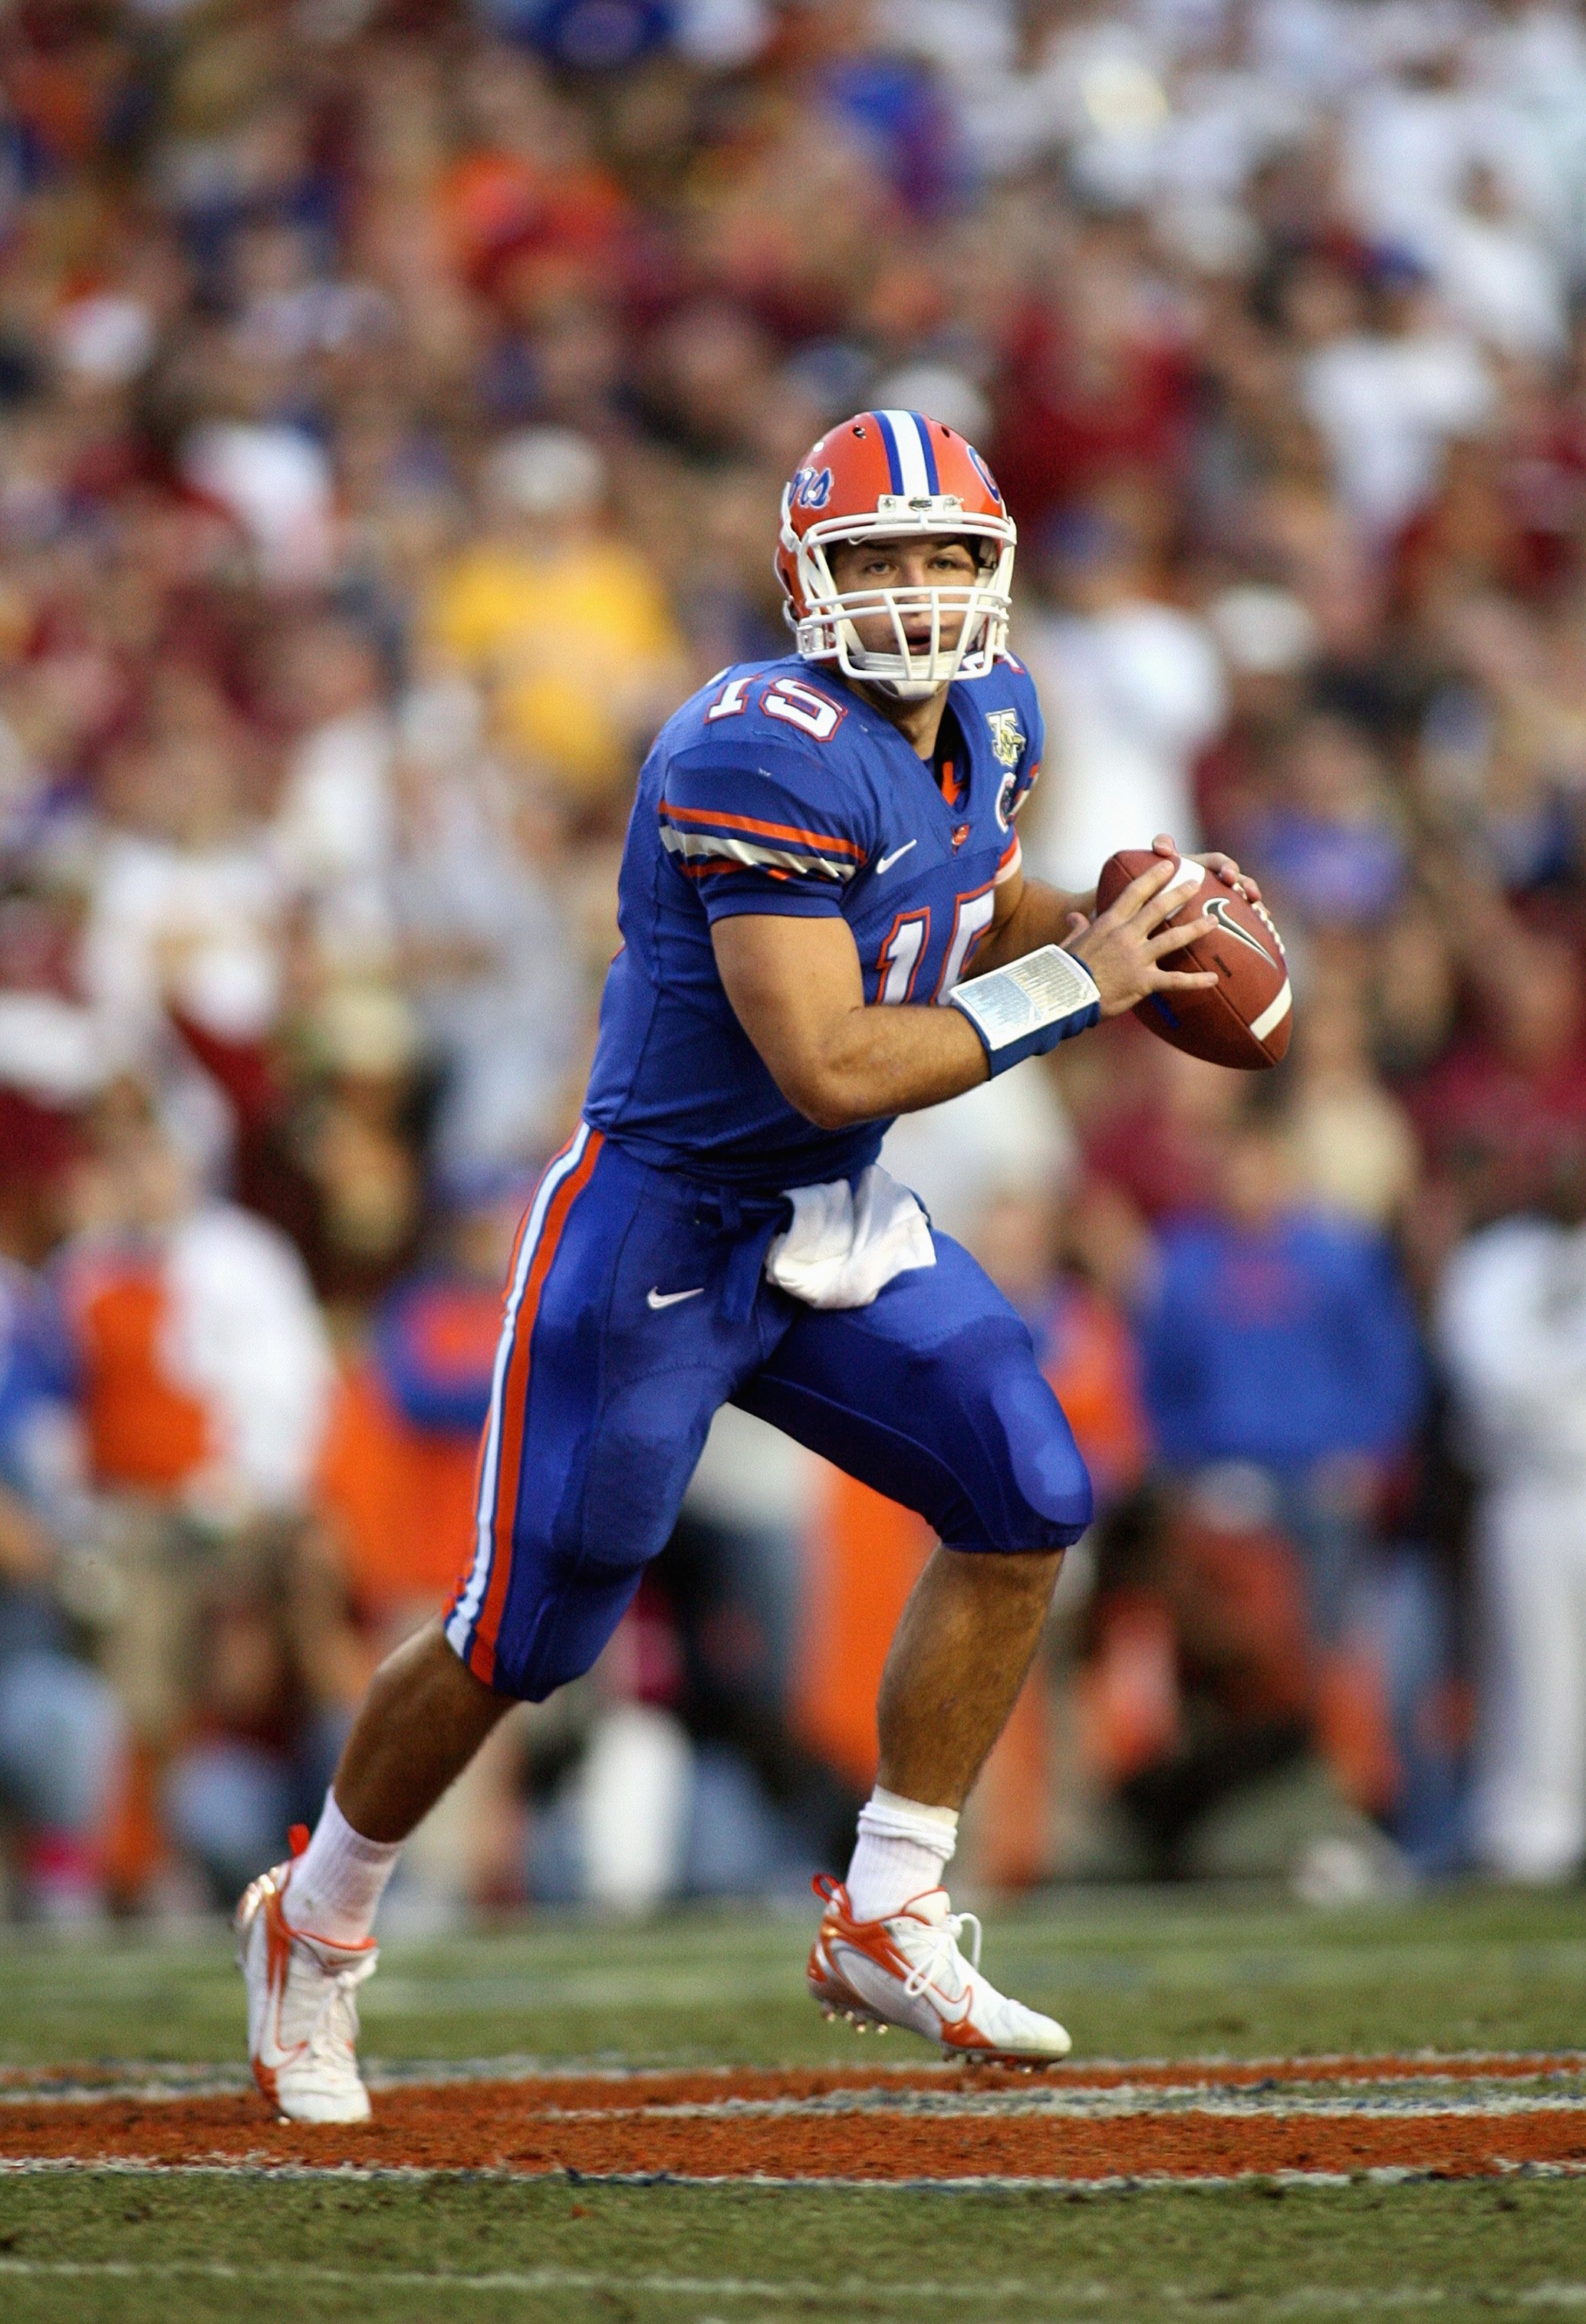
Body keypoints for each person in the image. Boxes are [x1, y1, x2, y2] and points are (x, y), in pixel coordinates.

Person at [238, 408, 1254, 2121]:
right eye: (881, 560)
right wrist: (1079, 983)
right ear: (806, 579)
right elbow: (830, 1061)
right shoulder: (752, 748)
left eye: (947, 556)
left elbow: (954, 897)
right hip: (663, 1220)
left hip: (829, 1220)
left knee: (1027, 1485)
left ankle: (889, 1898)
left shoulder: (992, 719)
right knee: (527, 1630)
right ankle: (317, 1918)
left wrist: (1108, 922)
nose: (921, 593)